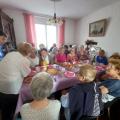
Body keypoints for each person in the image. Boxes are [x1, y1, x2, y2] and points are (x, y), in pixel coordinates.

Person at [0, 42, 33, 120]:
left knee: (5, 109)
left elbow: (13, 69)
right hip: (11, 87)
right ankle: (16, 116)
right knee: (13, 108)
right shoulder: (24, 60)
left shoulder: (10, 54)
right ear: (28, 52)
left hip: (1, 84)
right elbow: (26, 73)